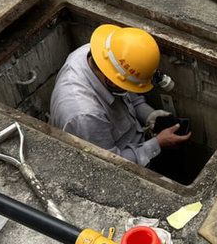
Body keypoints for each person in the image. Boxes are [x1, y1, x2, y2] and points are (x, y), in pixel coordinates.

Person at [49, 24, 190, 169]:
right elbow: (108, 164)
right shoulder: (85, 116)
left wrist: (148, 114)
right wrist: (157, 144)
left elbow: (127, 90)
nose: (129, 90)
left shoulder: (101, 55)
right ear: (111, 81)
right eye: (127, 86)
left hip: (133, 139)